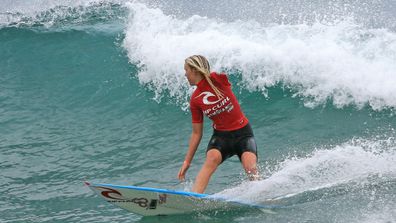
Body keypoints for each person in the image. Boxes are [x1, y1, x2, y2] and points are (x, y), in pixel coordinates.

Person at [177, 55, 259, 193]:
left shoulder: (217, 80)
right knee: (212, 158)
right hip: (222, 138)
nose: (185, 74)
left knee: (251, 168)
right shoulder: (195, 100)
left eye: (186, 70)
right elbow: (197, 133)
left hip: (243, 134)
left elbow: (212, 74)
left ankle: (262, 196)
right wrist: (187, 161)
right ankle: (194, 197)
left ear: (195, 70)